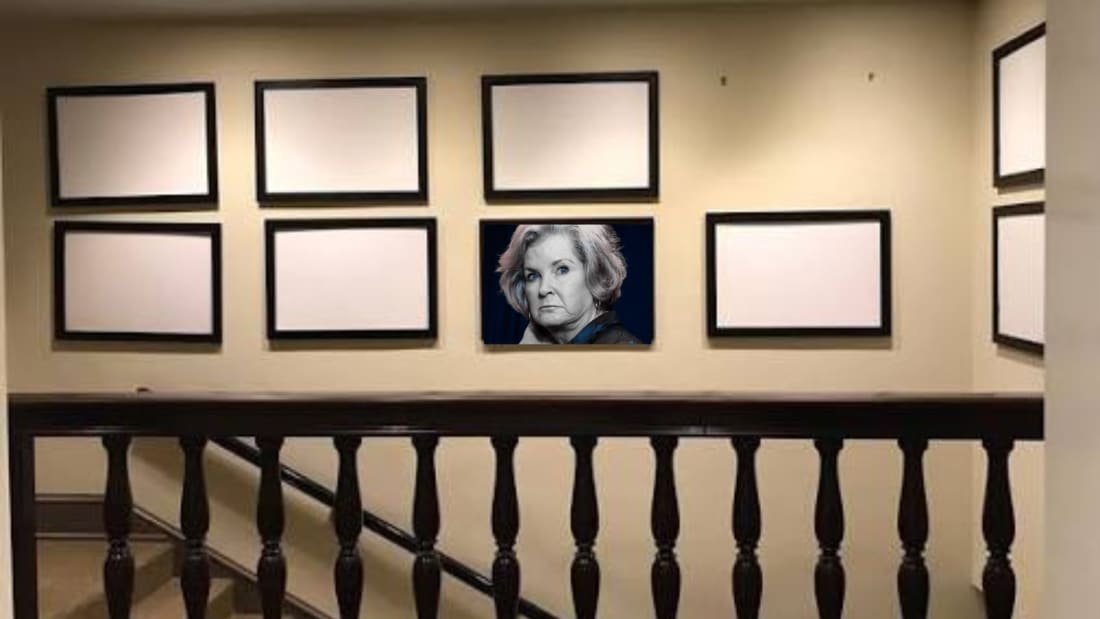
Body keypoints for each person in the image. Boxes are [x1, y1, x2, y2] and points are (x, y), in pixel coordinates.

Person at [497, 224, 642, 345]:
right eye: (533, 275)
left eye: (562, 269)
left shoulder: (620, 349)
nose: (543, 289)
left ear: (596, 275)